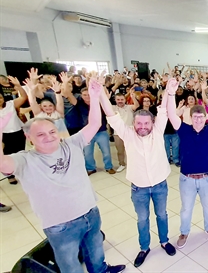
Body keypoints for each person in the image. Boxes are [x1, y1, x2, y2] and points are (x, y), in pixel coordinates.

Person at [0, 76, 125, 273]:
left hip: (89, 212)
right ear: (29, 137)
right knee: (70, 264)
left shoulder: (71, 143)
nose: (49, 137)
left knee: (95, 250)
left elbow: (94, 124)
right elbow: (3, 164)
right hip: (61, 225)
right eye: (41, 135)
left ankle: (100, 270)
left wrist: (94, 96)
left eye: (51, 132)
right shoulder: (25, 160)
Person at [99, 79, 176, 267]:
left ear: (152, 123)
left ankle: (164, 241)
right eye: (139, 123)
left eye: (146, 123)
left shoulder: (158, 131)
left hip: (160, 185)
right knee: (142, 218)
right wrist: (100, 91)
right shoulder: (128, 134)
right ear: (133, 124)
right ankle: (144, 247)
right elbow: (111, 115)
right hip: (138, 188)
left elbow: (164, 109)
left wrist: (168, 91)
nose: (142, 126)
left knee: (162, 215)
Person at [165, 79, 208, 247]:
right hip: (187, 179)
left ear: (206, 117)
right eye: (195, 117)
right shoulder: (184, 130)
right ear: (190, 117)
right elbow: (171, 115)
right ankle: (184, 232)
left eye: (201, 117)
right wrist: (170, 94)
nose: (198, 120)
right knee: (186, 209)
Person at [0, 75, 27, 185]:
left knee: (19, 153)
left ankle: (20, 172)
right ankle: (9, 175)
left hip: (17, 132)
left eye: (0, 97)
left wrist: (18, 86)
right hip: (4, 135)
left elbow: (24, 97)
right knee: (6, 155)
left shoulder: (10, 104)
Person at [111, 91, 139, 172]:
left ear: (125, 100)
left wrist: (133, 97)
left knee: (132, 150)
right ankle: (122, 164)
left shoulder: (129, 107)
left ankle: (133, 165)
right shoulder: (113, 108)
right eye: (118, 99)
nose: (120, 101)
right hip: (117, 133)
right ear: (115, 100)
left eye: (122, 99)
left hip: (130, 133)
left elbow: (136, 105)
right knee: (120, 151)